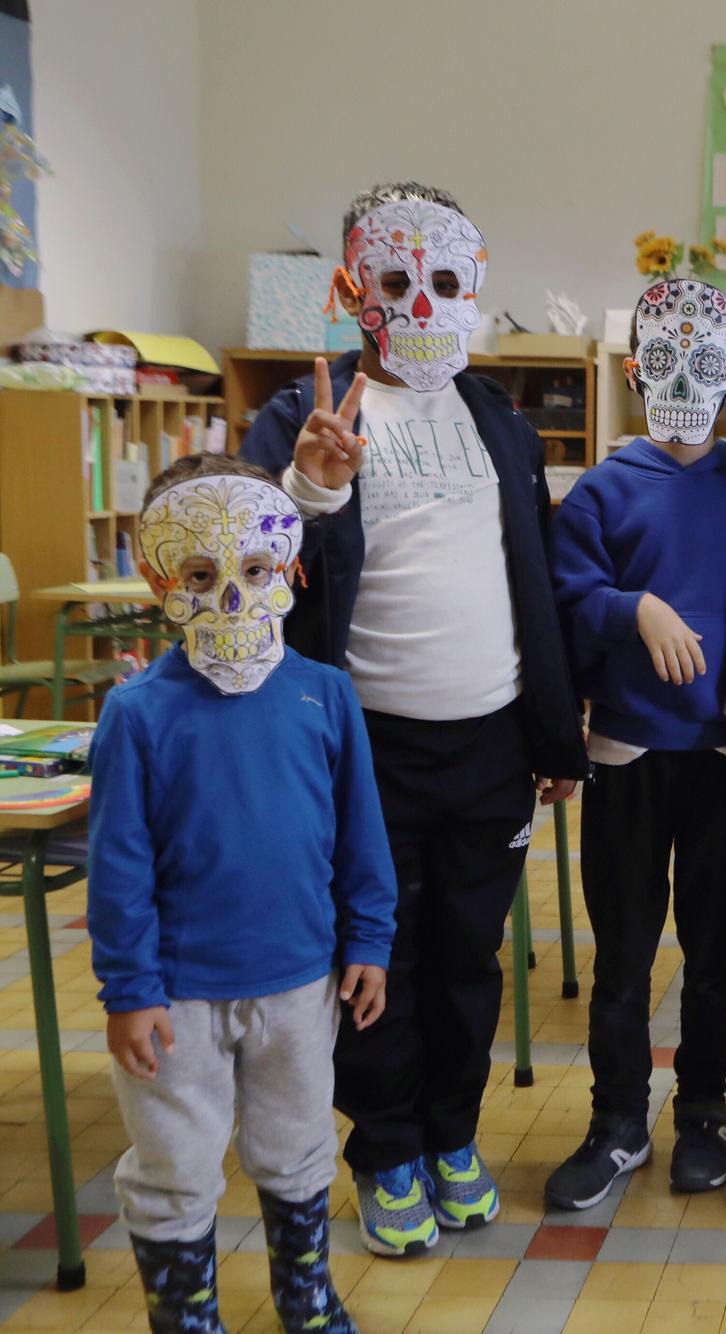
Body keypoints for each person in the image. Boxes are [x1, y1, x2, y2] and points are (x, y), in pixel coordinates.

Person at [239, 182, 588, 1255]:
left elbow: (529, 577)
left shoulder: (497, 421)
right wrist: (308, 492)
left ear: (473, 287)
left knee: (469, 954)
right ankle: (384, 1146)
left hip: (487, 741)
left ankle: (450, 1133)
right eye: (397, 281)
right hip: (363, 750)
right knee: (371, 954)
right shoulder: (306, 418)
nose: (424, 302)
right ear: (356, 289)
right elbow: (253, 584)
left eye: (445, 281)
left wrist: (550, 734)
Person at [90, 455, 397, 1334]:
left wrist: (369, 941)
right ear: (162, 580)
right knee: (177, 1162)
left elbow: (359, 835)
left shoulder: (325, 695)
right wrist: (129, 991)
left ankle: (305, 1293)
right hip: (177, 996)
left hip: (299, 982)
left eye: (255, 570)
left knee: (297, 1147)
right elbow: (119, 865)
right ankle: (185, 1312)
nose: (232, 595)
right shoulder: (140, 714)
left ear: (287, 569)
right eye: (200, 574)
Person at [543, 278, 726, 1210]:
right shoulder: (602, 489)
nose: (687, 377)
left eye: (706, 362)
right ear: (638, 371)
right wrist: (635, 607)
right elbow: (564, 602)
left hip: (720, 765)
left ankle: (705, 1116)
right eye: (667, 360)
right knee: (626, 955)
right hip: (627, 758)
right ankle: (617, 1122)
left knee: (715, 949)